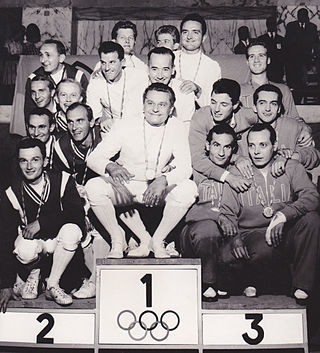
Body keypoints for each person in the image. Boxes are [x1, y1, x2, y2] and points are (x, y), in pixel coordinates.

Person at [85, 83, 198, 259]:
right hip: (127, 186)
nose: (155, 109)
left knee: (189, 189)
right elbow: (93, 158)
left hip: (157, 187)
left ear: (171, 108)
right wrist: (111, 166)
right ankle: (117, 239)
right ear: (143, 104)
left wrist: (163, 180)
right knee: (93, 187)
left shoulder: (176, 126)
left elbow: (185, 166)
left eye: (162, 105)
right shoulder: (126, 124)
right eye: (150, 103)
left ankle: (158, 241)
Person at [219, 123, 320, 301]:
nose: (256, 151)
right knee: (262, 248)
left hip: (285, 231)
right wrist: (234, 239)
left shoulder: (291, 167)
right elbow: (226, 213)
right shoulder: (238, 172)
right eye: (251, 146)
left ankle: (302, 286)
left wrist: (284, 215)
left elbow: (312, 197)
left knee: (312, 220)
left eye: (263, 145)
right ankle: (252, 281)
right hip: (253, 235)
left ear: (275, 145)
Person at [0, 138, 86, 310]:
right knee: (24, 247)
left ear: (45, 161)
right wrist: (5, 284)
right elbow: (5, 236)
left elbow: (77, 215)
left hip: (59, 245)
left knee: (72, 231)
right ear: (18, 163)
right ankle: (33, 274)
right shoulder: (11, 192)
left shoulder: (62, 179)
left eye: (35, 159)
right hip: (35, 247)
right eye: (23, 161)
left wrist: (42, 223)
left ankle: (53, 284)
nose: (29, 166)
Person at [54, 102, 109, 299]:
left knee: (102, 227)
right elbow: (62, 187)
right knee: (79, 229)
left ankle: (96, 281)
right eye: (70, 122)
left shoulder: (105, 138)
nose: (75, 127)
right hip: (78, 201)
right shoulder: (60, 146)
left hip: (105, 198)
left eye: (80, 121)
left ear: (92, 121)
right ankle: (88, 279)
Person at [181, 124, 238, 301]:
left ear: (233, 149)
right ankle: (209, 282)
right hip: (194, 233)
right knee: (208, 227)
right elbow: (186, 211)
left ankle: (229, 277)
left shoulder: (237, 172)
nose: (221, 152)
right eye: (216, 145)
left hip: (226, 235)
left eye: (227, 147)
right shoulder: (192, 170)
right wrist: (217, 216)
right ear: (207, 145)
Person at [189, 78, 256, 192]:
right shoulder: (201, 117)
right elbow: (197, 159)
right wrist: (229, 175)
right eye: (213, 102)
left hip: (237, 167)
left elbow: (272, 119)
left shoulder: (246, 115)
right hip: (210, 169)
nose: (216, 109)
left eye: (224, 104)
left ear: (235, 105)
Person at [238, 84, 320, 172]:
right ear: (254, 107)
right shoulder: (248, 133)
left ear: (279, 108)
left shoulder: (294, 126)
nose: (267, 109)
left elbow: (314, 156)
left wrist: (290, 157)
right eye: (262, 103)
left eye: (273, 104)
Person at [86, 41, 147, 132]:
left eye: (112, 62)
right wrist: (101, 120)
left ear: (123, 62)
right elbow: (93, 113)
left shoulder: (140, 77)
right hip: (111, 130)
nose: (107, 68)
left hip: (138, 128)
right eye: (103, 63)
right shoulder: (96, 82)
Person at [24, 39, 88, 120]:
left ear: (61, 58)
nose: (43, 60)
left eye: (48, 55)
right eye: (41, 55)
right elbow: (29, 113)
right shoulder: (34, 79)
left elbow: (86, 109)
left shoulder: (77, 76)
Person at [240, 40, 299, 119]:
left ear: (268, 60)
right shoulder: (239, 91)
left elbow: (295, 121)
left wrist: (305, 129)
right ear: (247, 62)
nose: (256, 60)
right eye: (252, 56)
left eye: (261, 55)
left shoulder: (283, 90)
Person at [174, 13, 221, 107]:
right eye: (185, 32)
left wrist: (198, 90)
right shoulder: (170, 58)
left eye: (195, 32)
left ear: (203, 38)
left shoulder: (212, 66)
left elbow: (214, 104)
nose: (189, 37)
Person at [147, 46, 196, 128]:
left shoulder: (184, 91)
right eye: (155, 69)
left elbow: (186, 127)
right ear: (148, 69)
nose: (160, 76)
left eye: (165, 69)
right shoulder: (137, 89)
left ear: (173, 70)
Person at [285, 8, 319, 95]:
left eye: (305, 15)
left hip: (307, 60)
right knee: (295, 84)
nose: (303, 17)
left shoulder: (312, 27)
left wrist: (313, 57)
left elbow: (315, 44)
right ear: (297, 16)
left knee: (305, 84)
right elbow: (288, 43)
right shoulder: (291, 26)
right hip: (294, 60)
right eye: (301, 15)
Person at [258, 17, 285, 83]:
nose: (271, 26)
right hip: (267, 69)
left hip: (278, 70)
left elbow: (284, 54)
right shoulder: (261, 39)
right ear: (267, 25)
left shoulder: (281, 39)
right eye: (270, 24)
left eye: (273, 24)